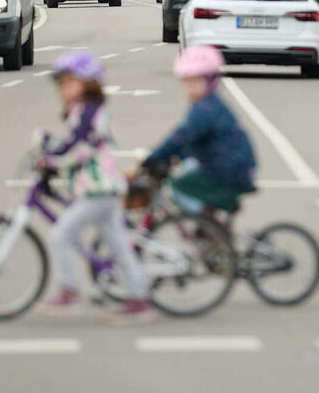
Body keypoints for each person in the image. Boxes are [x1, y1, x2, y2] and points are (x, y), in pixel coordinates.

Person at [37, 52, 153, 322]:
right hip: (105, 189)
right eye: (61, 84)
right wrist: (51, 147)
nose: (63, 89)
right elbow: (71, 142)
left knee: (60, 235)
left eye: (70, 83)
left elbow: (80, 148)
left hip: (98, 190)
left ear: (89, 83)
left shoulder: (89, 112)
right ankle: (138, 298)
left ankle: (70, 291)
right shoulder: (81, 111)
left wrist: (52, 160)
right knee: (119, 245)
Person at [143, 45, 257, 215]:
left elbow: (182, 136)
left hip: (228, 170)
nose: (190, 87)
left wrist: (154, 157)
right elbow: (195, 141)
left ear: (211, 81)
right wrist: (176, 157)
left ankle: (203, 220)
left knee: (180, 185)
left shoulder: (205, 109)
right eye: (187, 81)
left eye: (196, 81)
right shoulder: (210, 104)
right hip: (231, 166)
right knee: (188, 168)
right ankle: (208, 220)